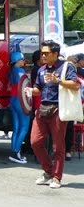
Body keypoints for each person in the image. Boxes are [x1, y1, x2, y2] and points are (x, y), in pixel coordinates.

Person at [27, 40, 80, 189]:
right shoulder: (41, 70)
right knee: (35, 142)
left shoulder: (66, 67)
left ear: (55, 54)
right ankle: (49, 172)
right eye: (42, 53)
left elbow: (76, 85)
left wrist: (58, 81)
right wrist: (30, 91)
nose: (43, 55)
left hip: (58, 108)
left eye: (46, 53)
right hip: (43, 108)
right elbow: (38, 88)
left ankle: (57, 177)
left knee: (58, 146)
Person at [8, 51, 30, 163]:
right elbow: (25, 85)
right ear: (18, 60)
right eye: (22, 59)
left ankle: (14, 151)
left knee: (16, 128)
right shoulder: (21, 71)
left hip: (12, 100)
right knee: (24, 127)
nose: (24, 61)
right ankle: (16, 152)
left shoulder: (12, 71)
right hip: (20, 101)